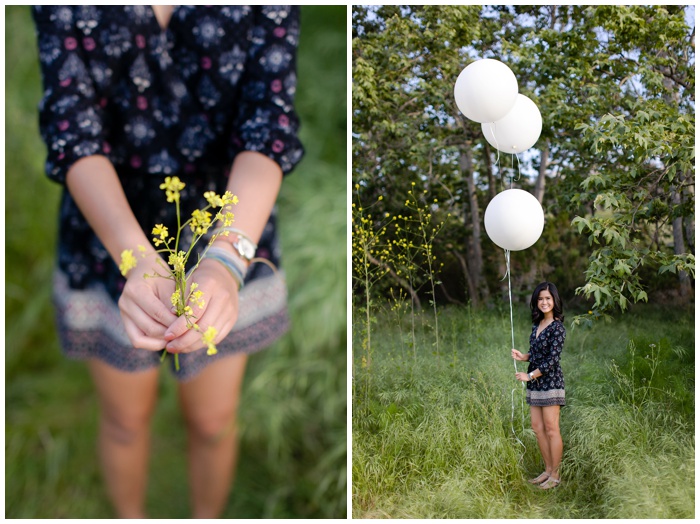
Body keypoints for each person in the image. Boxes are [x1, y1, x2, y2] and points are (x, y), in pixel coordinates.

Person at [32, 5, 304, 518]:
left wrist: (225, 260)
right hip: (107, 234)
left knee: (213, 419)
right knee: (124, 419)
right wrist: (135, 259)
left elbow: (269, 122)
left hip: (230, 229)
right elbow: (72, 127)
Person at [511, 281, 566, 490]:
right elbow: (536, 354)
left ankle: (556, 474)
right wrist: (523, 356)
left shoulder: (558, 328)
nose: (544, 302)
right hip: (535, 381)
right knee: (537, 427)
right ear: (536, 301)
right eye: (541, 299)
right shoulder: (537, 325)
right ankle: (547, 469)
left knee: (552, 428)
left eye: (548, 298)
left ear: (554, 301)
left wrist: (529, 375)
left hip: (550, 382)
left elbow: (552, 360)